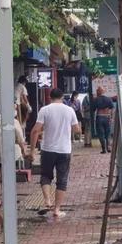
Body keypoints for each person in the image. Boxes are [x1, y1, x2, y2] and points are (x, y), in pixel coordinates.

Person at [29, 88, 81, 217]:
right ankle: (57, 210)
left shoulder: (44, 110)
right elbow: (77, 130)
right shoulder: (69, 110)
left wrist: (32, 151)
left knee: (46, 175)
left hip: (47, 149)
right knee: (62, 180)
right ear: (62, 97)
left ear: (49, 97)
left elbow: (35, 130)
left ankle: (47, 200)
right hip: (64, 150)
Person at [0, 108, 27, 212]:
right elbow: (20, 138)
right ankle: (9, 201)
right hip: (9, 153)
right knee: (9, 178)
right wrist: (24, 151)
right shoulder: (14, 121)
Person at [92, 87, 114, 153]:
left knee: (101, 134)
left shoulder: (96, 100)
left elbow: (93, 110)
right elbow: (112, 108)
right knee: (108, 133)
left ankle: (104, 149)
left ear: (98, 92)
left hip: (99, 117)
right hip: (107, 117)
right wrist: (111, 117)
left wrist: (94, 119)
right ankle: (109, 147)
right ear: (103, 92)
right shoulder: (108, 99)